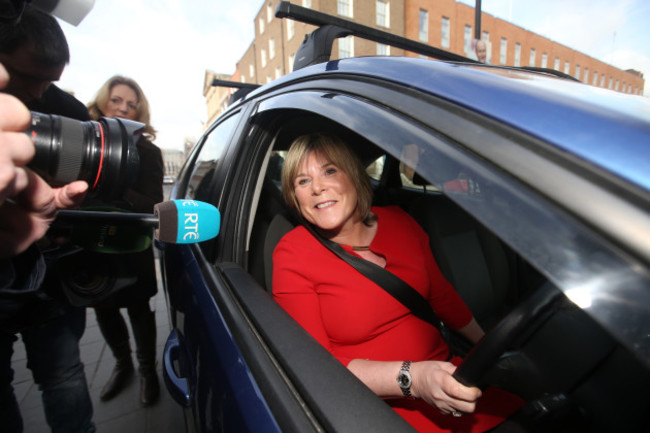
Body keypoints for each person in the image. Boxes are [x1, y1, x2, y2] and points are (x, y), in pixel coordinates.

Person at [272, 133, 523, 432]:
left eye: (329, 171)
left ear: (354, 175)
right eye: (302, 181)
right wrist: (413, 379)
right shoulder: (293, 254)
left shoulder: (400, 221)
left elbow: (442, 296)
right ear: (293, 196)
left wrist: (488, 347)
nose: (317, 188)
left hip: (447, 374)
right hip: (374, 406)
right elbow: (315, 365)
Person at [0, 7, 94, 433]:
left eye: (50, 80)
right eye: (26, 76)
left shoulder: (69, 113)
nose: (39, 93)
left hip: (50, 280)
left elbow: (93, 193)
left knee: (64, 379)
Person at [85, 75, 164, 406]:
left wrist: (115, 188)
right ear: (103, 102)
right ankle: (123, 365)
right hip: (93, 241)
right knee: (103, 307)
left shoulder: (148, 152)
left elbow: (153, 203)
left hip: (132, 243)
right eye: (117, 100)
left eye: (132, 105)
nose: (123, 108)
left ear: (139, 114)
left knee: (139, 308)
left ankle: (147, 371)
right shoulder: (87, 140)